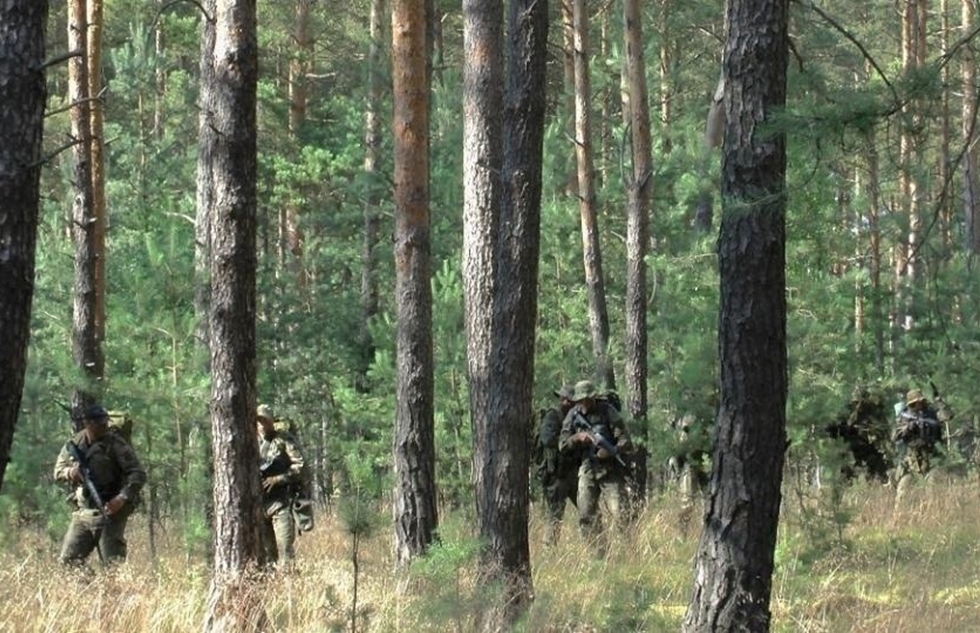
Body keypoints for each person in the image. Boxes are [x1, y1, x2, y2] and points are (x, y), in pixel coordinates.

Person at [53, 403, 146, 567]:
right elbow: (58, 471)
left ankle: (111, 591)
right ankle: (89, 589)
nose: (104, 426)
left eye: (105, 422)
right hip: (83, 512)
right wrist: (71, 473)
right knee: (68, 562)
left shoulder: (116, 444)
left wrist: (122, 498)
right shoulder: (75, 443)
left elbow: (138, 474)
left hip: (110, 511)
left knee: (112, 566)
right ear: (88, 423)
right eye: (99, 423)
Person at [559, 380, 632, 545]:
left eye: (587, 399)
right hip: (587, 468)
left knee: (620, 514)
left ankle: (626, 554)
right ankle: (597, 554)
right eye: (580, 400)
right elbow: (562, 444)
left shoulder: (608, 411)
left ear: (593, 397)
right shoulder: (573, 415)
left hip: (610, 470)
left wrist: (611, 450)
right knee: (585, 514)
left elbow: (626, 441)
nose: (584, 403)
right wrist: (577, 438)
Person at [256, 403, 307, 567]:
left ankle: (288, 589)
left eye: (266, 421)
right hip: (258, 506)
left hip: (281, 503)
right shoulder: (249, 442)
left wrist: (278, 479)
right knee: (266, 556)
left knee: (285, 552)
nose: (263, 425)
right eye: (259, 421)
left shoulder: (283, 440)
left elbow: (301, 466)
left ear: (272, 421)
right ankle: (270, 589)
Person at [533, 384, 578, 545]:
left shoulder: (576, 418)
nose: (568, 403)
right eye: (567, 400)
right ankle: (549, 550)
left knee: (588, 509)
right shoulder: (553, 416)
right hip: (556, 475)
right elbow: (547, 439)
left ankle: (600, 548)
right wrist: (570, 441)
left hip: (573, 472)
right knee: (555, 514)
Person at [892, 388, 949, 501]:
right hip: (912, 462)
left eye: (921, 402)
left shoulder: (931, 413)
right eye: (915, 403)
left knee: (933, 490)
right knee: (903, 492)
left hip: (932, 458)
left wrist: (939, 402)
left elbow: (947, 416)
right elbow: (894, 436)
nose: (919, 405)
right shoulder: (904, 417)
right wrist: (908, 428)